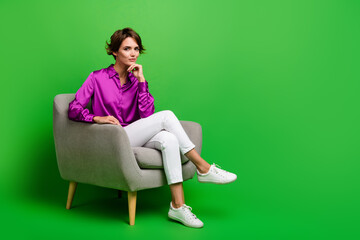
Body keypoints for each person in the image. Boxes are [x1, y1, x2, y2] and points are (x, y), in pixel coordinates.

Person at [68, 27, 237, 228]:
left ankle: (178, 206)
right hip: (112, 138)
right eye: (127, 49)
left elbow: (147, 115)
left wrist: (141, 81)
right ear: (114, 51)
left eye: (136, 49)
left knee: (169, 139)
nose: (133, 54)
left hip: (133, 136)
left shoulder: (135, 80)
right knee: (167, 116)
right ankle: (203, 167)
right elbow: (73, 108)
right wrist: (98, 118)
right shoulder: (97, 78)